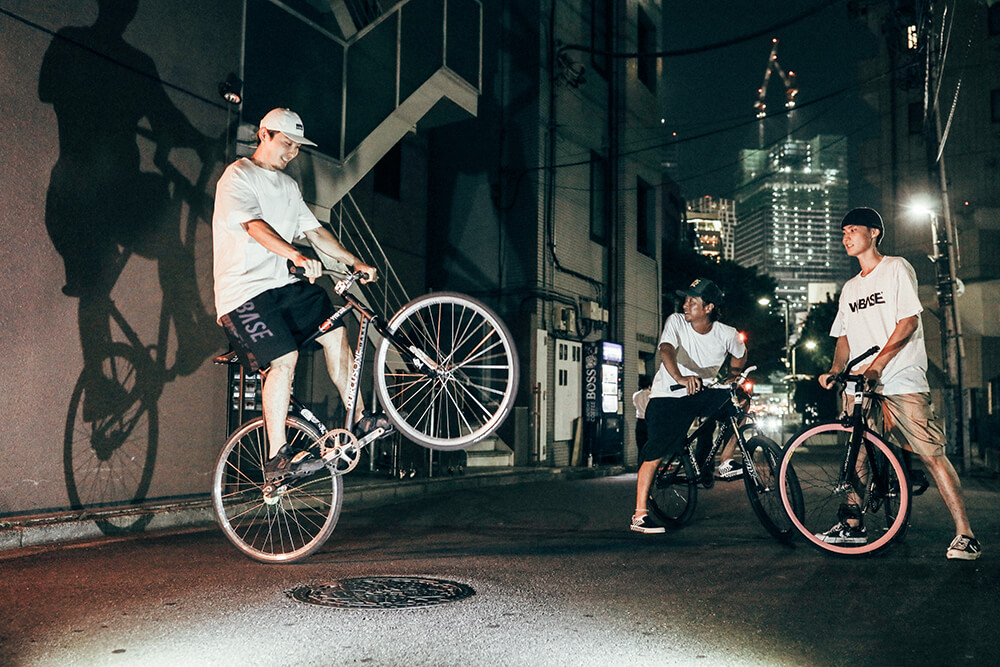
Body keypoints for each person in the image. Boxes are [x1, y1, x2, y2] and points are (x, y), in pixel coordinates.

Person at [212, 108, 384, 482]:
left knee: (335, 325)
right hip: (242, 296)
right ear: (264, 135)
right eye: (286, 144)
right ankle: (277, 458)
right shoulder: (237, 176)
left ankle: (361, 417)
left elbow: (317, 232)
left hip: (281, 289)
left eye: (296, 148)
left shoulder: (289, 188)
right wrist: (293, 254)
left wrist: (355, 261)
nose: (291, 153)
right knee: (285, 357)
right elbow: (253, 226)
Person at [817, 207, 980, 560]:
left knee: (931, 453)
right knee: (856, 453)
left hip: (899, 377)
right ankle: (852, 525)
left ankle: (965, 534)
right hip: (860, 385)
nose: (846, 236)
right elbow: (843, 337)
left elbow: (907, 322)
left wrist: (876, 367)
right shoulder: (849, 288)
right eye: (842, 232)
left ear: (875, 232)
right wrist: (835, 369)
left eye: (853, 230)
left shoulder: (895, 267)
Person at [631, 278, 747, 534]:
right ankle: (639, 514)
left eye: (692, 301)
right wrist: (680, 378)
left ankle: (726, 461)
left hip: (703, 392)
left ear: (708, 307)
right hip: (668, 395)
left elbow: (740, 353)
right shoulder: (676, 321)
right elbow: (666, 349)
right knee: (656, 451)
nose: (685, 305)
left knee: (740, 401)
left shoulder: (726, 333)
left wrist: (734, 377)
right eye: (686, 299)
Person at [631, 375, 651, 457]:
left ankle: (640, 467)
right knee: (649, 448)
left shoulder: (635, 395)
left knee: (640, 448)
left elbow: (635, 405)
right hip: (649, 422)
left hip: (639, 422)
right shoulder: (651, 395)